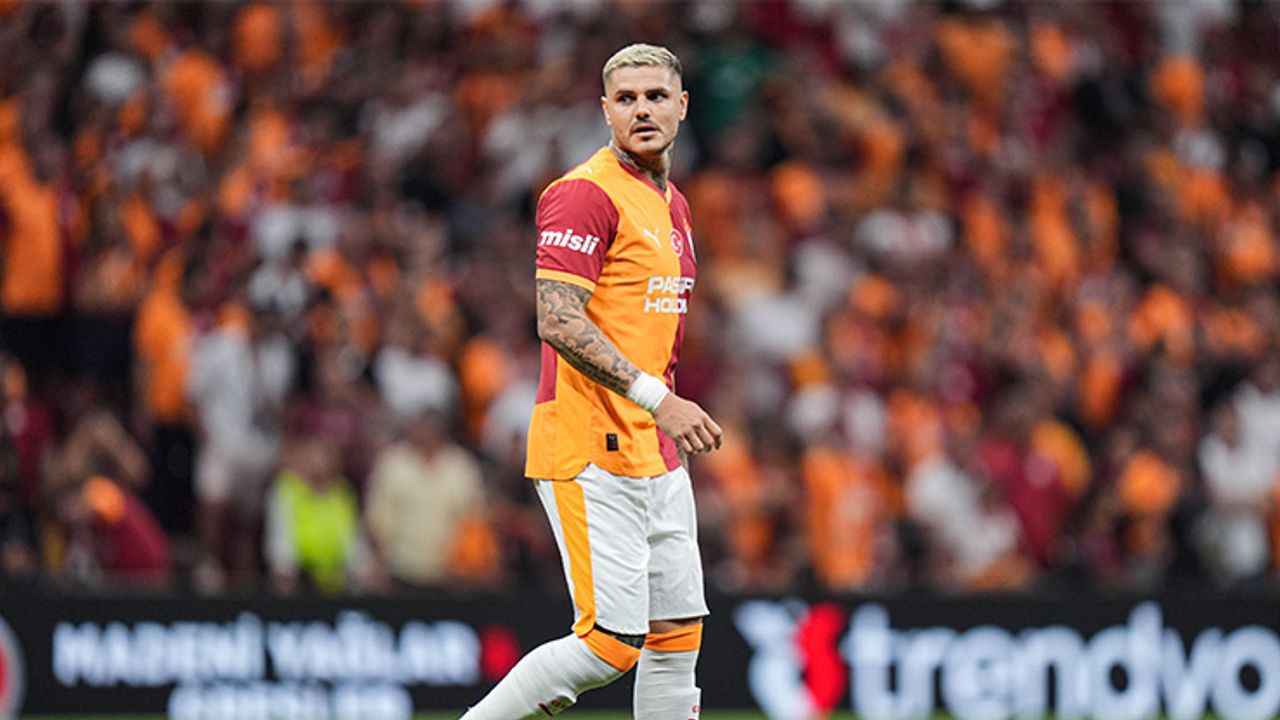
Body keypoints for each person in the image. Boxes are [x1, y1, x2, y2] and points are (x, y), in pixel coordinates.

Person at [461, 44, 723, 720]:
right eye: (626, 99)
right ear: (606, 111)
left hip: (655, 451)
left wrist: (659, 411)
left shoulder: (674, 205)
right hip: (590, 444)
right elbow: (557, 319)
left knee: (676, 638)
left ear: (682, 106)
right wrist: (660, 400)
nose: (642, 110)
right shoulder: (584, 194)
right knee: (608, 645)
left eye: (656, 96)